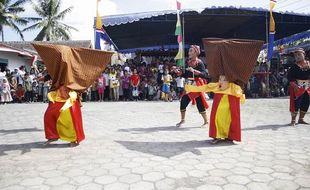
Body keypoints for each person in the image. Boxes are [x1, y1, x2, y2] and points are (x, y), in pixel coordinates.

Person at [32, 43, 113, 146]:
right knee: (49, 114)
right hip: (58, 94)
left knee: (70, 117)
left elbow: (84, 73)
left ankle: (74, 139)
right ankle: (53, 135)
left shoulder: (73, 64)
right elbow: (51, 71)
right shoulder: (57, 65)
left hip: (70, 95)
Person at [185, 38, 263, 144]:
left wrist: (241, 97)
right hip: (219, 100)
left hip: (231, 100)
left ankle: (229, 136)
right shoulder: (217, 86)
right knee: (217, 118)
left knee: (231, 119)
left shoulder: (232, 87)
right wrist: (190, 88)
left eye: (224, 79)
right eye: (220, 79)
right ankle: (217, 136)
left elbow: (240, 94)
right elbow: (204, 88)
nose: (221, 81)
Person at [172, 45, 209, 128]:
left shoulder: (199, 63)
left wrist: (195, 71)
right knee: (183, 101)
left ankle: (206, 121)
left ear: (196, 52)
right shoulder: (188, 62)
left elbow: (205, 75)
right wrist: (179, 72)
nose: (189, 52)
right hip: (189, 85)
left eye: (191, 51)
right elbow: (185, 74)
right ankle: (182, 120)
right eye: (189, 51)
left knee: (200, 103)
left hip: (196, 86)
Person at [288, 48, 310, 126]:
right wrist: (295, 86)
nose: (297, 56)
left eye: (299, 54)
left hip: (308, 87)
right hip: (297, 87)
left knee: (306, 102)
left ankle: (301, 119)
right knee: (295, 103)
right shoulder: (294, 66)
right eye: (296, 55)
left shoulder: (309, 64)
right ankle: (293, 120)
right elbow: (290, 78)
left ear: (304, 55)